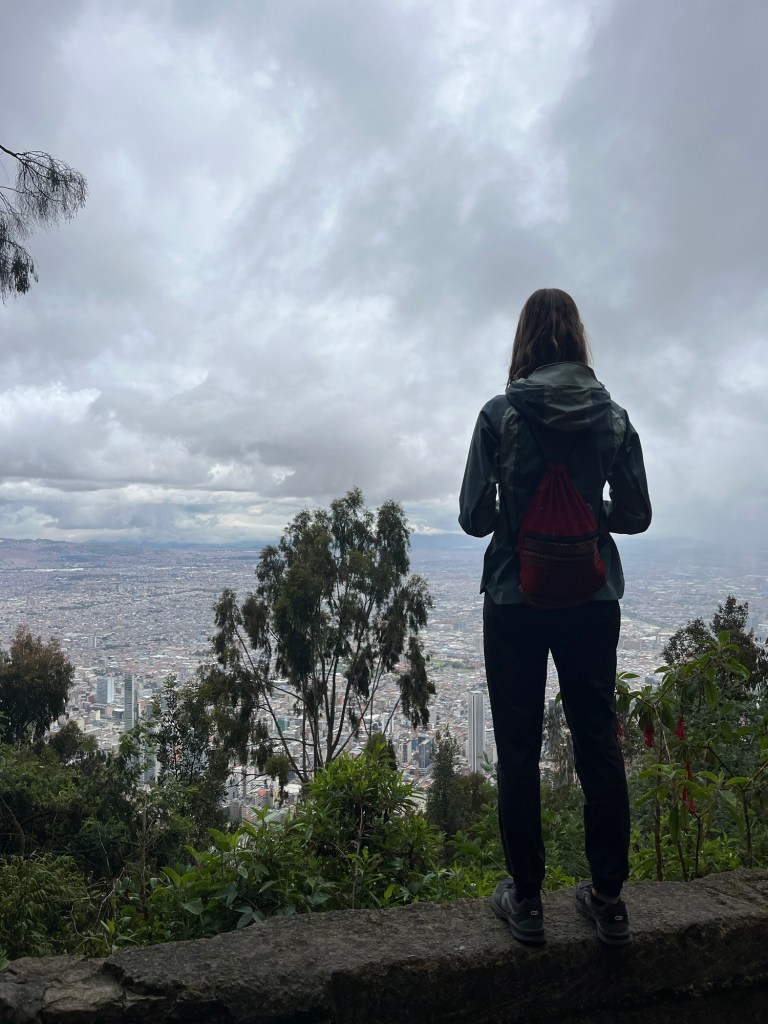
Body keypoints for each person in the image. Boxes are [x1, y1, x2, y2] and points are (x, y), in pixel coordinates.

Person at [458, 288, 651, 946]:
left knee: (516, 750)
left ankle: (528, 902)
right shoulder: (613, 418)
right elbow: (637, 514)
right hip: (592, 601)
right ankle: (609, 900)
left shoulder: (499, 414)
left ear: (524, 341)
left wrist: (519, 513)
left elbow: (473, 518)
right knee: (598, 741)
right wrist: (587, 516)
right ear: (577, 339)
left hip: (515, 597)